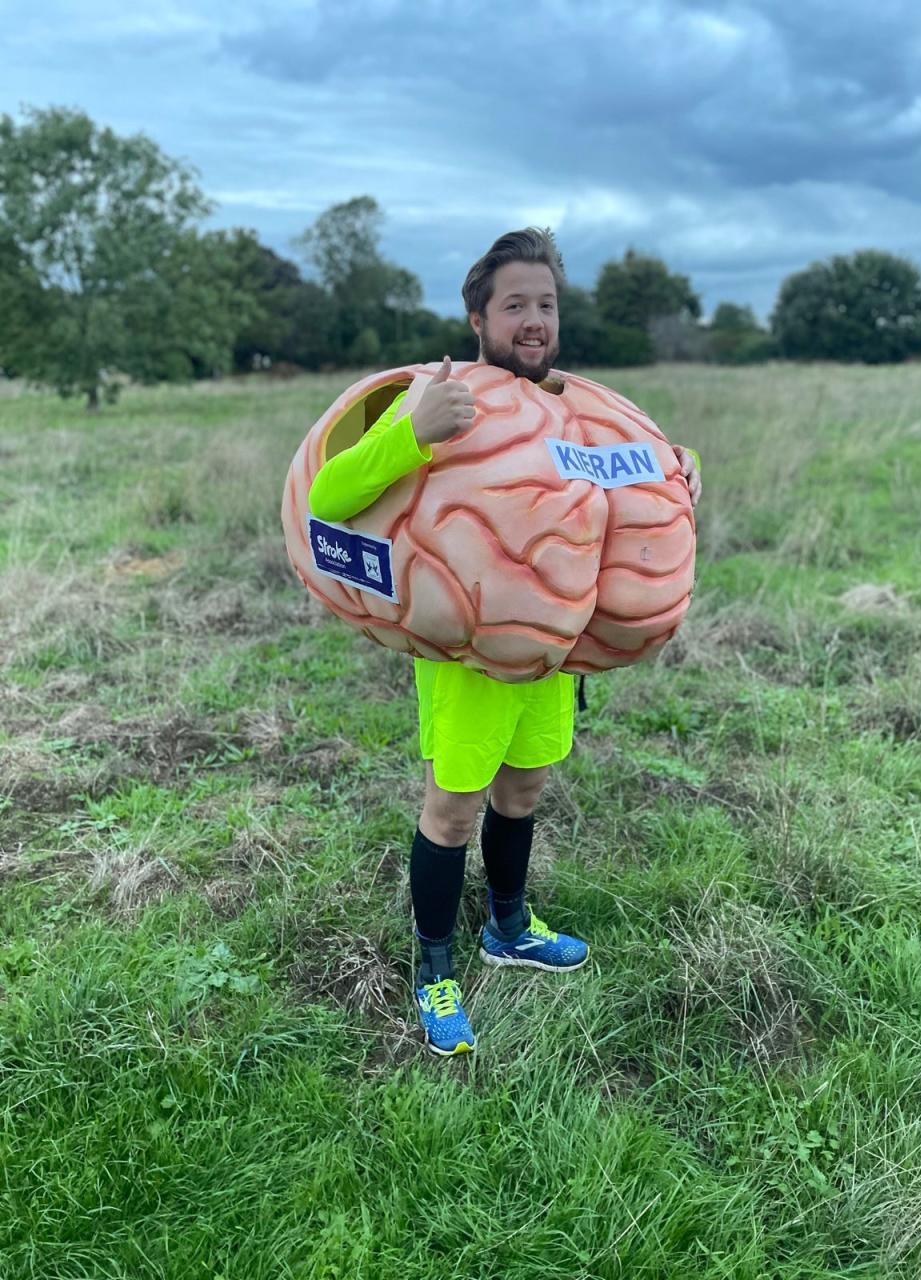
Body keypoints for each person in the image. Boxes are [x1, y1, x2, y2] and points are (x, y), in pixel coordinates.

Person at [308, 228, 702, 1056]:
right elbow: (332, 493)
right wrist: (413, 433)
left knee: (522, 796)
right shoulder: (445, 399)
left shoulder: (576, 408)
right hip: (469, 663)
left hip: (555, 656)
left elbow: (624, 482)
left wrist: (680, 466)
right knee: (451, 812)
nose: (533, 319)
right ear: (479, 317)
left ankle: (509, 927)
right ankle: (433, 968)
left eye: (546, 304)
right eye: (515, 304)